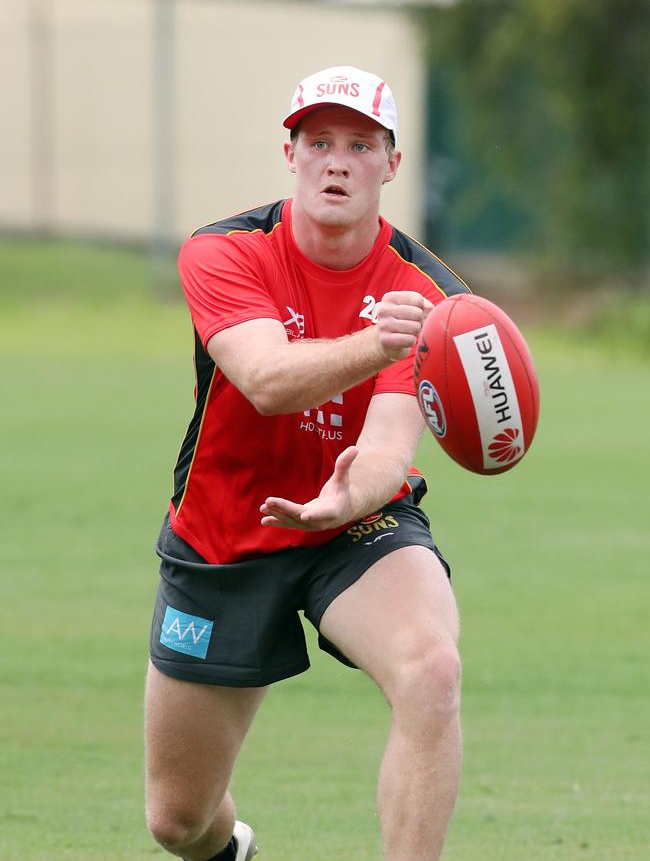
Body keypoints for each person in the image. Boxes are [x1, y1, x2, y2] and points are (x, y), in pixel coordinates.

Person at [145, 65, 470, 861]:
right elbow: (263, 379)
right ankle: (234, 849)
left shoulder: (425, 291)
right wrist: (380, 340)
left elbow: (392, 443)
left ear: (391, 163)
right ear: (289, 152)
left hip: (356, 523)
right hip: (228, 529)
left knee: (431, 669)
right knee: (178, 821)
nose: (337, 161)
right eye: (319, 141)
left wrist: (345, 496)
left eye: (360, 144)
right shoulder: (225, 251)